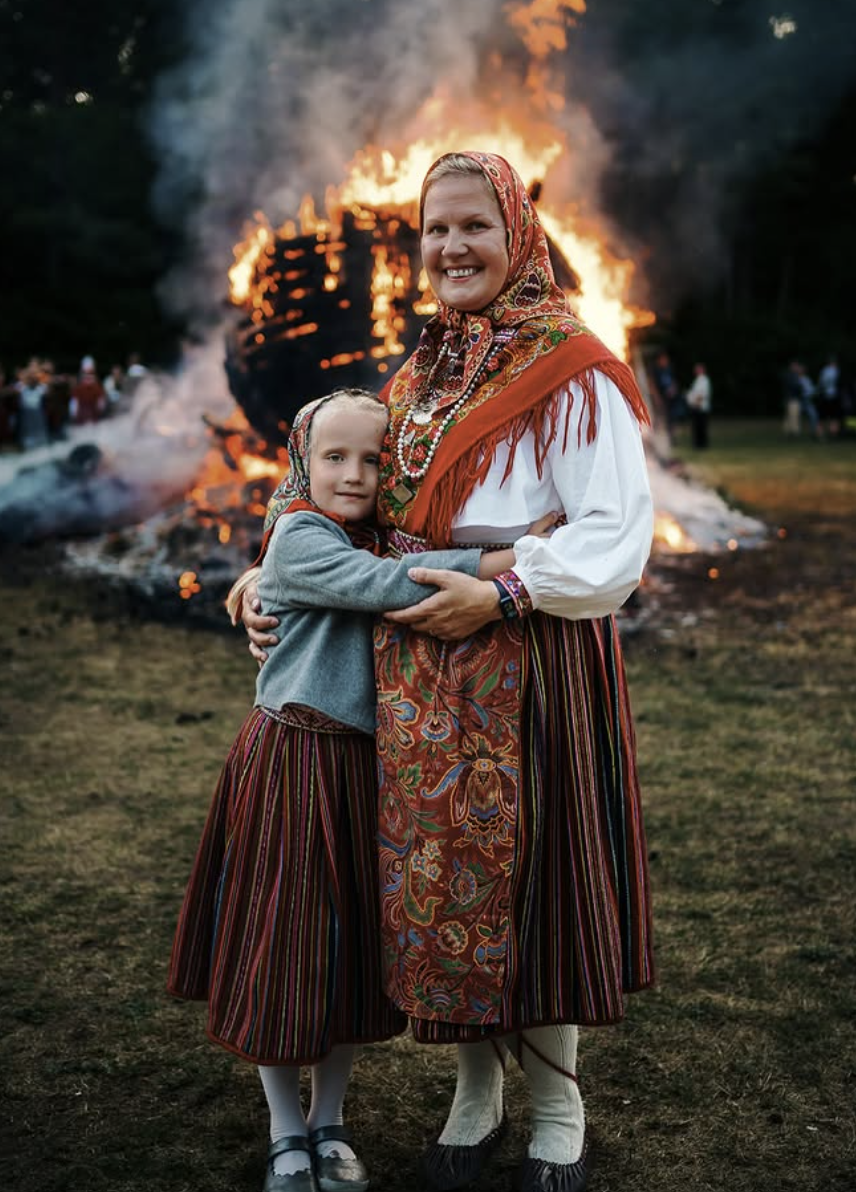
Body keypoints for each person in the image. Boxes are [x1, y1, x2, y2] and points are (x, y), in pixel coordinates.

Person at [244, 152, 655, 1192]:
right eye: (435, 229)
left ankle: (555, 1104)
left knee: (536, 878)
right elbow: (350, 508)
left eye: (474, 224)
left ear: (518, 231)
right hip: (426, 666)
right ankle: (477, 1089)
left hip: (532, 645)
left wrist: (507, 593)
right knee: (441, 881)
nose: (451, 247)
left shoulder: (573, 367)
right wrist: (267, 574)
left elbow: (613, 533)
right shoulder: (421, 371)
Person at [168, 387, 550, 1192]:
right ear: (302, 463)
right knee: (285, 943)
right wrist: (507, 562)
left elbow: (388, 559)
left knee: (341, 949)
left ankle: (330, 1118)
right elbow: (386, 585)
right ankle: (284, 1129)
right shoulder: (301, 539)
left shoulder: (377, 534)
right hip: (292, 757)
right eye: (334, 458)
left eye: (374, 461)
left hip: (364, 768)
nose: (354, 474)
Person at [685, 361, 712, 449]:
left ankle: (702, 445)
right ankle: (698, 445)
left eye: (698, 369)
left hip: (700, 408)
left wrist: (696, 403)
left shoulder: (703, 380)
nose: (696, 371)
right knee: (697, 428)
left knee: (701, 428)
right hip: (697, 407)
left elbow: (702, 394)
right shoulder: (698, 380)